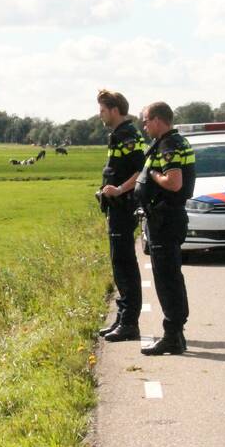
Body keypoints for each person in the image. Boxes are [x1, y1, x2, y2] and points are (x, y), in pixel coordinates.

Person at [135, 102, 196, 355]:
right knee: (171, 275)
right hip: (168, 217)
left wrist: (153, 174)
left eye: (146, 120)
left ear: (159, 120)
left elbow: (173, 183)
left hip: (166, 218)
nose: (144, 125)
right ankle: (176, 334)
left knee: (167, 278)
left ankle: (172, 334)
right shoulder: (175, 142)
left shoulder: (169, 145)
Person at [96, 90, 146, 342]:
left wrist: (119, 189)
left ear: (115, 110)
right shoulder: (118, 134)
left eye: (102, 110)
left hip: (123, 207)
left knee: (125, 264)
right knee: (119, 264)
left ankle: (129, 323)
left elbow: (141, 169)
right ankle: (123, 317)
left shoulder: (128, 135)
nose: (100, 114)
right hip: (115, 207)